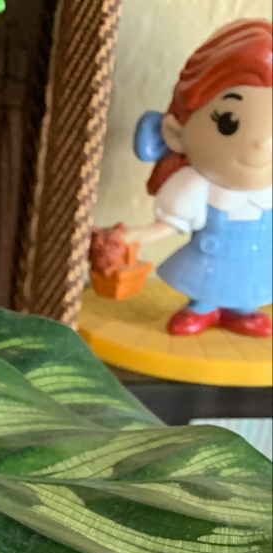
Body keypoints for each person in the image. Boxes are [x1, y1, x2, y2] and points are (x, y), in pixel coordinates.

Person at [124, 19, 272, 337]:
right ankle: (201, 307)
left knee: (251, 285)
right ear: (176, 134)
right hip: (208, 260)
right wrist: (134, 237)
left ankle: (243, 311)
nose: (262, 145)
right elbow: (169, 225)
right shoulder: (195, 186)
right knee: (207, 285)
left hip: (258, 263)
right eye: (228, 122)